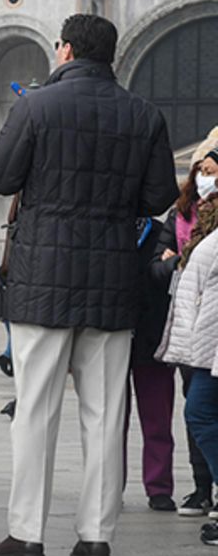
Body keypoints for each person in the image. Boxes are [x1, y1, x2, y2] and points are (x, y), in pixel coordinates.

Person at [0, 14, 178, 556]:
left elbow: (0, 178)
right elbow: (159, 194)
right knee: (104, 413)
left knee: (36, 412)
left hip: (43, 279)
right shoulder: (144, 115)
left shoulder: (37, 105)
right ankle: (96, 537)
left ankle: (26, 533)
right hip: (113, 281)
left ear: (65, 49)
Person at [158, 193, 218, 547]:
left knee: (198, 412)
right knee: (199, 413)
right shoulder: (202, 238)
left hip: (210, 350)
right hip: (205, 349)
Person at [167, 135, 218, 517]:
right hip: (200, 342)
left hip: (208, 341)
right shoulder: (191, 219)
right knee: (198, 411)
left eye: (211, 171)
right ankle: (205, 488)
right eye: (201, 170)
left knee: (199, 411)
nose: (206, 178)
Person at [126, 214, 179, 512]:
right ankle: (110, 483)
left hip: (153, 338)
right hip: (114, 334)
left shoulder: (161, 232)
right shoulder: (109, 227)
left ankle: (159, 487)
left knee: (158, 419)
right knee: (109, 421)